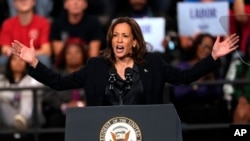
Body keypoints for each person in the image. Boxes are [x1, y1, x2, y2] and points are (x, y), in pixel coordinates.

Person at [11, 17, 239, 107]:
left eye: (125, 36)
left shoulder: (154, 63)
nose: (119, 40)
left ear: (135, 43)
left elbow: (185, 77)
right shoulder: (95, 66)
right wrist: (34, 63)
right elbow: (59, 82)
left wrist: (213, 57)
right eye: (115, 35)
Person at [172, 33, 228, 123]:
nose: (206, 50)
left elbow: (218, 94)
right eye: (203, 45)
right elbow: (178, 93)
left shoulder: (215, 69)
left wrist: (211, 77)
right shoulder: (183, 66)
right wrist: (199, 79)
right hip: (189, 111)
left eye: (210, 47)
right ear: (196, 45)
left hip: (210, 112)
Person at [42, 37, 87, 128]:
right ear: (64, 56)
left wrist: (82, 104)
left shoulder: (91, 73)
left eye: (77, 52)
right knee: (54, 121)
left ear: (83, 55)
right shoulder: (56, 73)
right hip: (61, 113)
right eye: (69, 53)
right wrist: (62, 106)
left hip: (87, 111)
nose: (73, 55)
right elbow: (48, 95)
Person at [0, 0, 51, 67]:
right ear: (14, 4)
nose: (23, 1)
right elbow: (4, 49)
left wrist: (27, 54)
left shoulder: (43, 23)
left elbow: (47, 50)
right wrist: (20, 55)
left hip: (34, 57)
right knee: (2, 60)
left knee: (44, 59)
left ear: (34, 2)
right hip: (14, 57)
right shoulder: (7, 24)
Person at [0, 55, 44, 130]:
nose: (18, 62)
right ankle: (17, 124)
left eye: (21, 60)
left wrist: (21, 94)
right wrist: (15, 96)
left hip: (30, 117)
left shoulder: (32, 78)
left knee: (28, 92)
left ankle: (22, 118)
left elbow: (40, 90)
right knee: (2, 102)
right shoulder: (2, 78)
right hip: (9, 116)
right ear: (9, 63)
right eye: (14, 60)